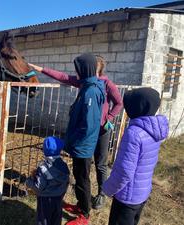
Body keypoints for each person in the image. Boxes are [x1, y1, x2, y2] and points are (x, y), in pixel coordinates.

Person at [29, 53, 105, 225]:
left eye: (78, 69)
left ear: (85, 70)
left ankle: (84, 215)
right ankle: (81, 206)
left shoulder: (91, 92)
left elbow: (89, 126)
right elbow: (63, 77)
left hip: (82, 147)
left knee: (83, 179)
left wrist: (72, 143)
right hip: (80, 145)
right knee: (79, 176)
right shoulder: (87, 85)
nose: (75, 73)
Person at [102, 87, 169, 225]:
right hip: (142, 193)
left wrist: (108, 188)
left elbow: (124, 171)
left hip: (127, 197)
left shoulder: (134, 133)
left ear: (136, 108)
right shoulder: (155, 130)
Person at [92, 55, 123, 210]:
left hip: (102, 130)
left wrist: (108, 118)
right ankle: (81, 190)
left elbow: (119, 103)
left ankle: (101, 194)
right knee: (83, 160)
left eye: (94, 66)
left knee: (100, 163)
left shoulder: (107, 83)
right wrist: (40, 69)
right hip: (88, 130)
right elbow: (63, 77)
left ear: (99, 68)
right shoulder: (86, 82)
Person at [25, 136, 70, 225]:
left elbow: (38, 188)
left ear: (44, 151)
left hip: (45, 200)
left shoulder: (43, 168)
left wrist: (29, 181)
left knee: (43, 220)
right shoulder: (64, 166)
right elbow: (67, 182)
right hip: (58, 198)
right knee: (56, 219)